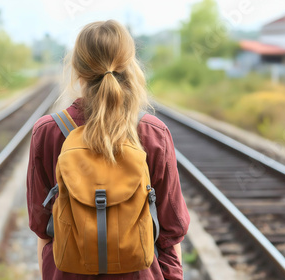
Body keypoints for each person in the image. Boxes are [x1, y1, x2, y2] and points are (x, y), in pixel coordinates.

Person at [26, 19, 190, 280]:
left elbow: (43, 229)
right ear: (129, 66)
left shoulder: (47, 132)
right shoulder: (152, 132)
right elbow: (171, 233)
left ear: (77, 70)